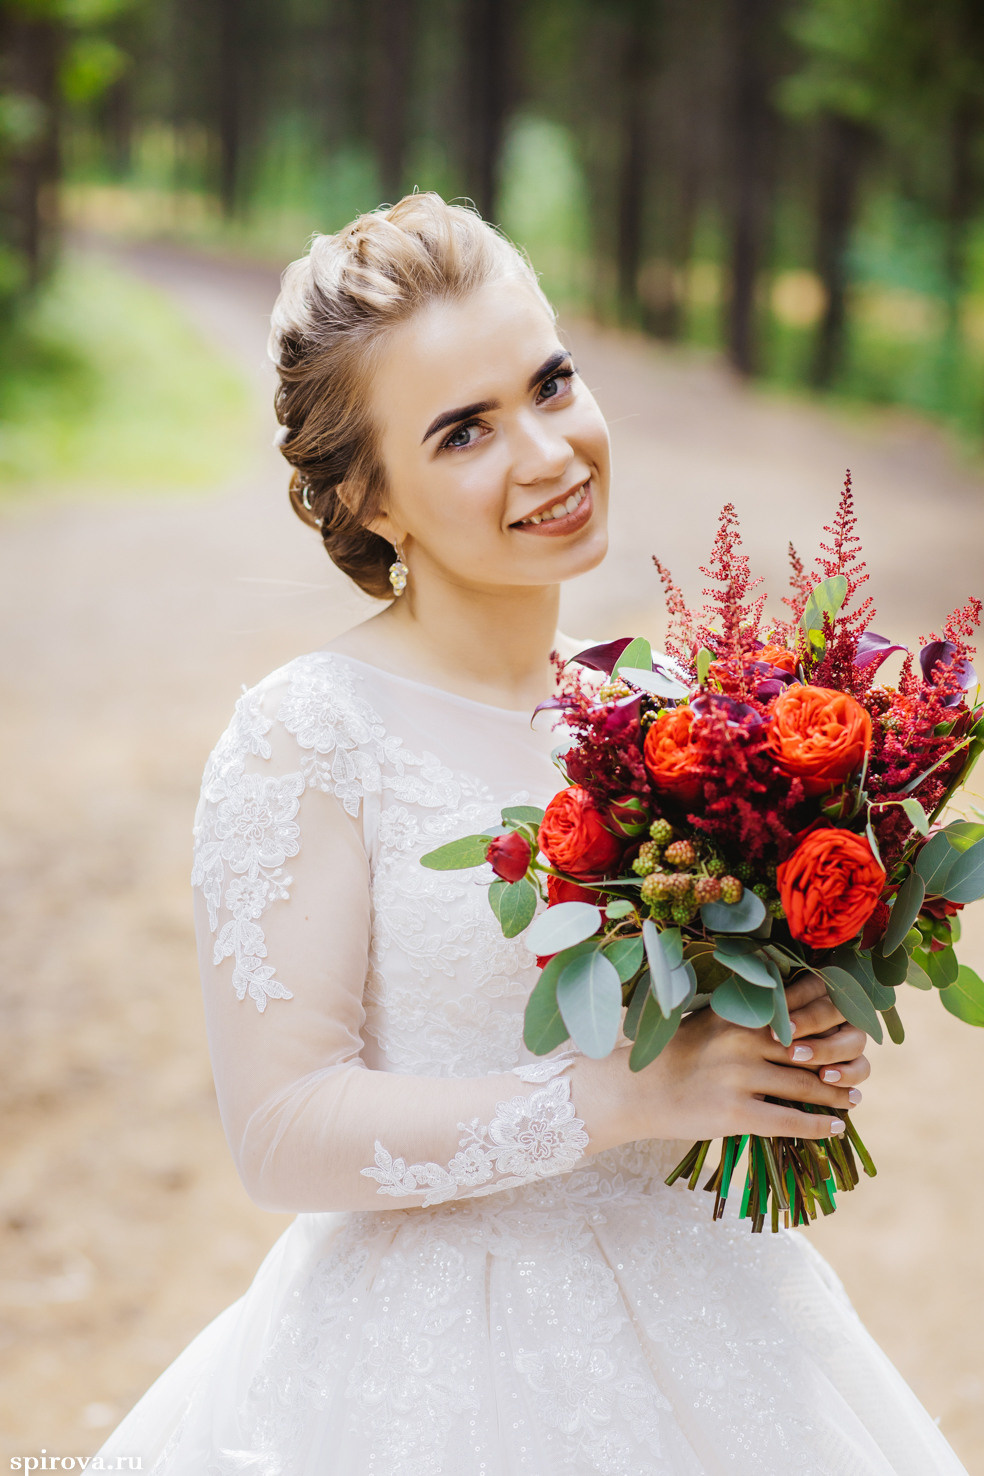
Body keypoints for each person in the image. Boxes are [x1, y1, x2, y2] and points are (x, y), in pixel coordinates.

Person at [94, 192, 967, 1474]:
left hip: (714, 1321)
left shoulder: (659, 713)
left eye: (551, 383)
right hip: (432, 1364)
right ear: (368, 500)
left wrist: (782, 1045)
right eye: (465, 433)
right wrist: (619, 1098)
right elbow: (279, 1130)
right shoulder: (307, 740)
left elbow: (689, 1036)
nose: (550, 454)